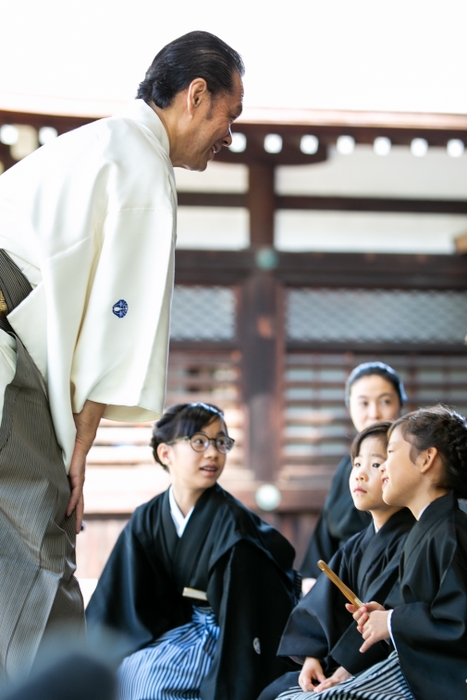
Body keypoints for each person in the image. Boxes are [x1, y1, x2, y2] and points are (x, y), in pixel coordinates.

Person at [0, 31, 244, 680]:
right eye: (230, 117)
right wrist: (77, 461)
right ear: (196, 96)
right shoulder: (139, 167)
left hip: (15, 343)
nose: (230, 136)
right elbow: (115, 331)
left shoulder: (96, 143)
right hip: (8, 360)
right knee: (39, 547)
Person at [86, 402, 299, 700]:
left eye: (220, 442)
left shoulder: (233, 527)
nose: (212, 452)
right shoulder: (148, 517)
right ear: (166, 453)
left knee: (150, 682)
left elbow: (245, 615)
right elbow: (119, 598)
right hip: (173, 628)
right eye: (199, 441)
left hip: (220, 633)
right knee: (123, 672)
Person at [278, 405, 467, 700]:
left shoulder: (448, 533)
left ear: (427, 459)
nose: (383, 469)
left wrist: (392, 622)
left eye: (388, 455)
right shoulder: (430, 529)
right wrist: (385, 616)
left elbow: (458, 622)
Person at [258, 422, 414, 700]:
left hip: (385, 666)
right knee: (272, 692)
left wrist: (346, 669)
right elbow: (320, 605)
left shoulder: (413, 540)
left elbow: (395, 616)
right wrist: (312, 657)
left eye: (376, 464)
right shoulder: (355, 545)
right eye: (356, 464)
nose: (360, 475)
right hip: (341, 662)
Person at [300, 362, 406, 593]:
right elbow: (323, 538)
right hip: (338, 577)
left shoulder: (407, 464)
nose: (374, 412)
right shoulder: (346, 469)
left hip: (388, 577)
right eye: (363, 403)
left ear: (401, 404)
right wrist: (312, 578)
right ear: (350, 408)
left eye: (385, 401)